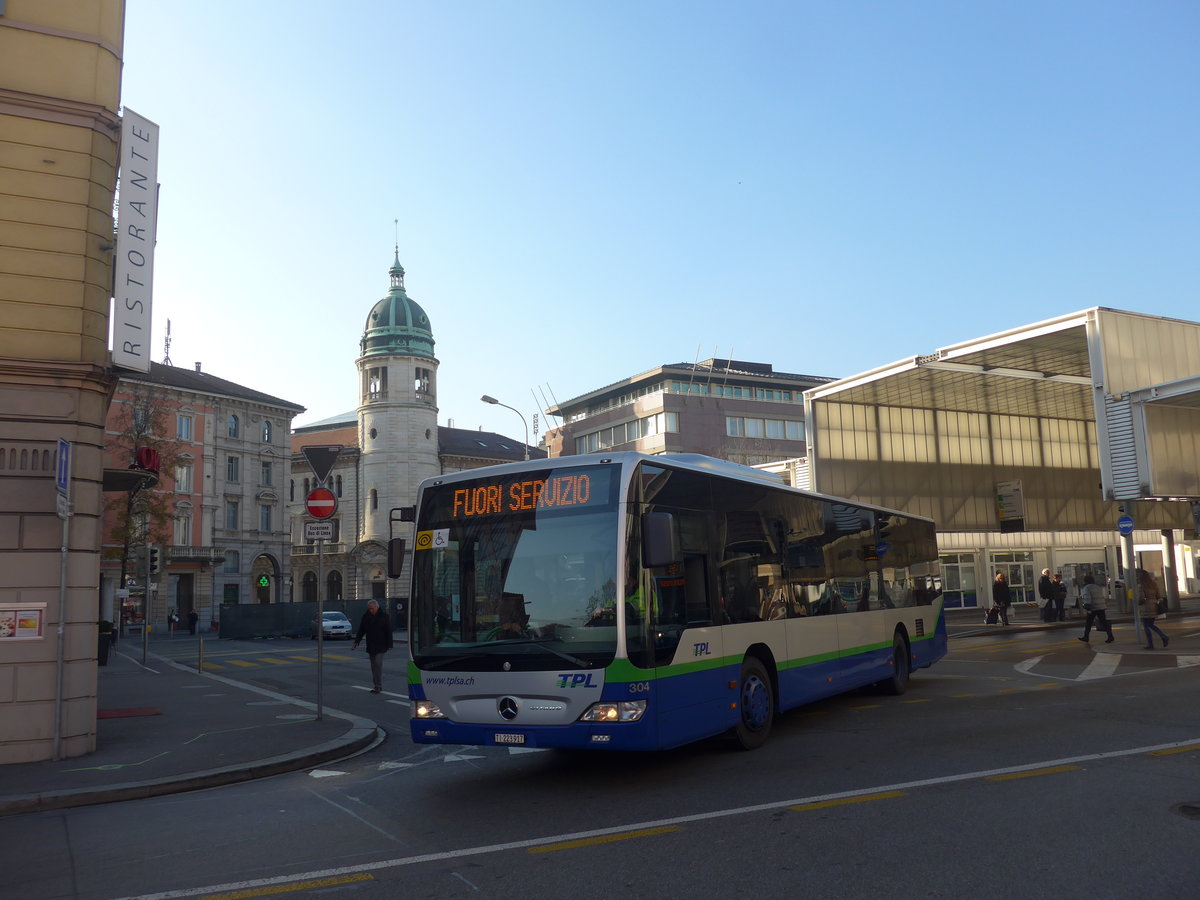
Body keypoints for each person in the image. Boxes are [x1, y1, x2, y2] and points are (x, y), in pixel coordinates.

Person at [353, 599, 394, 693]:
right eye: (369, 609)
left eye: (372, 608)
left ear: (377, 607)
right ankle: (376, 685)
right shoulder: (366, 617)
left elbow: (388, 631)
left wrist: (390, 644)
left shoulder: (384, 616)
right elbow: (361, 629)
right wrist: (357, 641)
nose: (371, 610)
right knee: (373, 666)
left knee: (377, 664)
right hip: (371, 645)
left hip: (381, 645)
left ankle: (378, 686)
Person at [1077, 574, 1114, 644]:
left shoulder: (1087, 588)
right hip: (1101, 607)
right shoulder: (1097, 586)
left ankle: (1086, 637)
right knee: (1104, 622)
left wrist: (1087, 607)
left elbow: (1087, 598)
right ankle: (1110, 636)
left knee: (1088, 623)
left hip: (1093, 607)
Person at [1137, 573, 1169, 650]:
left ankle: (1151, 644)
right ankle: (1163, 636)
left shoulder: (1142, 586)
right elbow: (1158, 596)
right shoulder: (1154, 584)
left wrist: (1139, 602)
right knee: (1151, 624)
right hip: (1154, 606)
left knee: (1146, 626)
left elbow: (1141, 598)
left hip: (1146, 607)